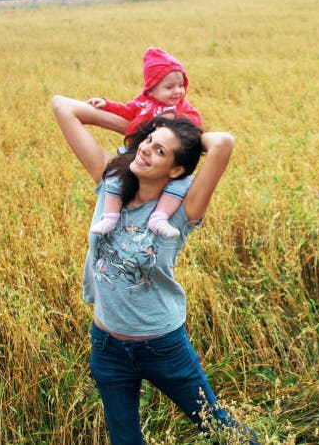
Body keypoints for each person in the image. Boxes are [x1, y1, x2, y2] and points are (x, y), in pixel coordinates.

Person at [51, 94, 257, 444]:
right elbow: (62, 106)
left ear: (177, 170)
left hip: (162, 345)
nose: (146, 150)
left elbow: (222, 143)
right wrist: (142, 127)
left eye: (160, 152)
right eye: (148, 142)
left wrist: (183, 135)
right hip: (107, 346)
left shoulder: (183, 210)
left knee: (219, 427)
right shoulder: (109, 180)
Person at [86, 47, 202, 238]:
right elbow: (125, 110)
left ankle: (159, 218)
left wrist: (175, 118)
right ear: (152, 88)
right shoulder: (143, 103)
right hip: (136, 152)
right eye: (169, 87)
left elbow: (195, 122)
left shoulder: (180, 107)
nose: (178, 91)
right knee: (114, 176)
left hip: (167, 160)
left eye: (181, 85)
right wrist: (106, 104)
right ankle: (110, 217)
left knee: (181, 185)